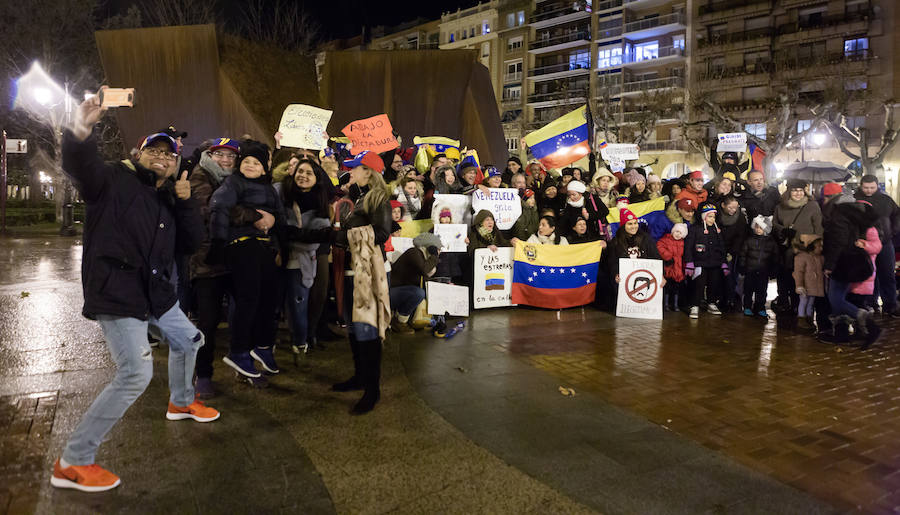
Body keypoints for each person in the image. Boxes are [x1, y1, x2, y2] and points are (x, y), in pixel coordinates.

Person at [53, 94, 218, 493]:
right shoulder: (111, 178)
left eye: (170, 154)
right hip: (117, 291)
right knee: (135, 374)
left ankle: (180, 401)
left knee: (190, 340)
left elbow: (194, 243)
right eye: (154, 150)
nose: (162, 157)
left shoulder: (169, 197)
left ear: (177, 163)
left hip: (155, 293)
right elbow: (80, 166)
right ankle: (73, 460)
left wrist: (184, 203)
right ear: (138, 153)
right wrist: (80, 129)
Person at [208, 139, 285, 379]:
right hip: (241, 245)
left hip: (264, 247)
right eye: (247, 161)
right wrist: (218, 243)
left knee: (270, 299)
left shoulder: (270, 189)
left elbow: (281, 218)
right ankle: (239, 351)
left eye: (256, 163)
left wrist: (274, 228)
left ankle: (263, 347)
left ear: (264, 168)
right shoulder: (233, 183)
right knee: (248, 298)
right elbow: (219, 208)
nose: (250, 166)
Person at [332, 151, 392, 414]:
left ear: (368, 171)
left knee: (367, 328)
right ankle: (359, 376)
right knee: (354, 328)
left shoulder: (379, 199)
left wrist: (345, 235)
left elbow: (382, 232)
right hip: (350, 268)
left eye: (355, 168)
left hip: (366, 271)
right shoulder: (358, 196)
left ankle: (372, 389)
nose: (351, 172)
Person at [189, 137, 240, 398]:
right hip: (206, 261)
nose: (226, 160)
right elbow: (212, 209)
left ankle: (242, 362)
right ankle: (204, 373)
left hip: (233, 258)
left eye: (231, 157)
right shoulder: (200, 176)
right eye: (221, 155)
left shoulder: (235, 180)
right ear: (210, 155)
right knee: (207, 322)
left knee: (243, 314)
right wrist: (253, 214)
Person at [277, 158, 333, 355]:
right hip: (276, 257)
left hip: (301, 261)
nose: (303, 175)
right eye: (300, 171)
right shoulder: (280, 191)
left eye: (309, 173)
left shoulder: (320, 199)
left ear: (317, 178)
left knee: (301, 303)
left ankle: (301, 341)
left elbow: (318, 236)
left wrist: (290, 233)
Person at [822, 198, 882, 345]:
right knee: (838, 299)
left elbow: (838, 243)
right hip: (851, 261)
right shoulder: (855, 216)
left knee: (835, 298)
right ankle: (842, 334)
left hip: (842, 263)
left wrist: (829, 265)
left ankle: (868, 323)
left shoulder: (839, 217)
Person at [773, 179, 823, 312]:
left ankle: (798, 307)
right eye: (794, 190)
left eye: (800, 190)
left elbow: (819, 229)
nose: (798, 193)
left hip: (805, 249)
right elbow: (775, 224)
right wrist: (783, 231)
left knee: (801, 279)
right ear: (789, 191)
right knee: (785, 277)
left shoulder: (812, 206)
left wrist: (815, 246)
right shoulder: (781, 206)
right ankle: (784, 302)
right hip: (786, 248)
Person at [854, 174, 900, 317]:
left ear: (877, 186)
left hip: (885, 242)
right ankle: (870, 302)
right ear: (861, 186)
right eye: (866, 187)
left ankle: (890, 304)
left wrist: (893, 231)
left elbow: (897, 215)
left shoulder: (886, 200)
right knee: (868, 273)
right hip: (865, 243)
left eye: (872, 188)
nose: (869, 190)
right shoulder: (855, 200)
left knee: (887, 273)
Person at [390, 233, 441, 335]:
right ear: (430, 248)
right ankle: (399, 322)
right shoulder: (414, 253)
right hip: (390, 293)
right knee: (418, 293)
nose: (440, 252)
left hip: (400, 292)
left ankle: (411, 320)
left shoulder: (421, 256)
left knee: (422, 292)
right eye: (438, 249)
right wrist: (434, 256)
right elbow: (424, 269)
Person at [684, 204, 728, 318]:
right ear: (704, 217)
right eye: (709, 217)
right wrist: (689, 262)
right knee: (698, 285)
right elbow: (688, 246)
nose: (712, 219)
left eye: (713, 217)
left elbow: (722, 247)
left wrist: (724, 262)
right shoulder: (695, 229)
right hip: (699, 263)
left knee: (714, 284)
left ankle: (711, 303)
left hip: (715, 263)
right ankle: (695, 305)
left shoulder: (717, 230)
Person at [609, 207, 662, 284]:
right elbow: (612, 262)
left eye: (635, 223)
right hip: (625, 282)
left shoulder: (646, 238)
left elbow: (656, 258)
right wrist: (615, 274)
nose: (633, 226)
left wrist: (661, 275)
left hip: (646, 278)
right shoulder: (616, 242)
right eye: (630, 224)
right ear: (623, 225)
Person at [740, 215, 778, 317]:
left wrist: (773, 270)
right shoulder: (749, 240)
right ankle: (747, 307)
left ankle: (760, 307)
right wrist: (743, 266)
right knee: (748, 290)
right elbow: (743, 254)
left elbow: (774, 257)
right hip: (750, 270)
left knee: (761, 291)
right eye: (756, 227)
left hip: (763, 271)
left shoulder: (771, 243)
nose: (758, 229)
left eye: (760, 227)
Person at [719, 195, 748, 311]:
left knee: (730, 276)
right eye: (730, 207)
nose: (733, 210)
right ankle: (719, 298)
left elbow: (741, 236)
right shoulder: (717, 215)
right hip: (719, 249)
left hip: (733, 251)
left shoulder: (740, 218)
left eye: (735, 208)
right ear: (723, 205)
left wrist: (731, 252)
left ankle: (730, 299)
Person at [793, 236, 825, 330]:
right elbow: (798, 272)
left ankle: (809, 319)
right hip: (805, 286)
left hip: (814, 286)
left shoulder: (820, 258)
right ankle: (801, 319)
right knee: (803, 302)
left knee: (811, 303)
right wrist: (799, 285)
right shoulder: (802, 257)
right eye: (818, 246)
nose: (821, 248)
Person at [657, 223, 688, 311]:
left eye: (680, 233)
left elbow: (685, 255)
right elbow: (660, 246)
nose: (678, 234)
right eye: (676, 231)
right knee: (667, 287)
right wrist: (668, 256)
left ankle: (675, 304)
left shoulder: (683, 243)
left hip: (679, 269)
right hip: (669, 267)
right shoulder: (666, 239)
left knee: (676, 288)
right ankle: (666, 304)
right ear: (673, 231)